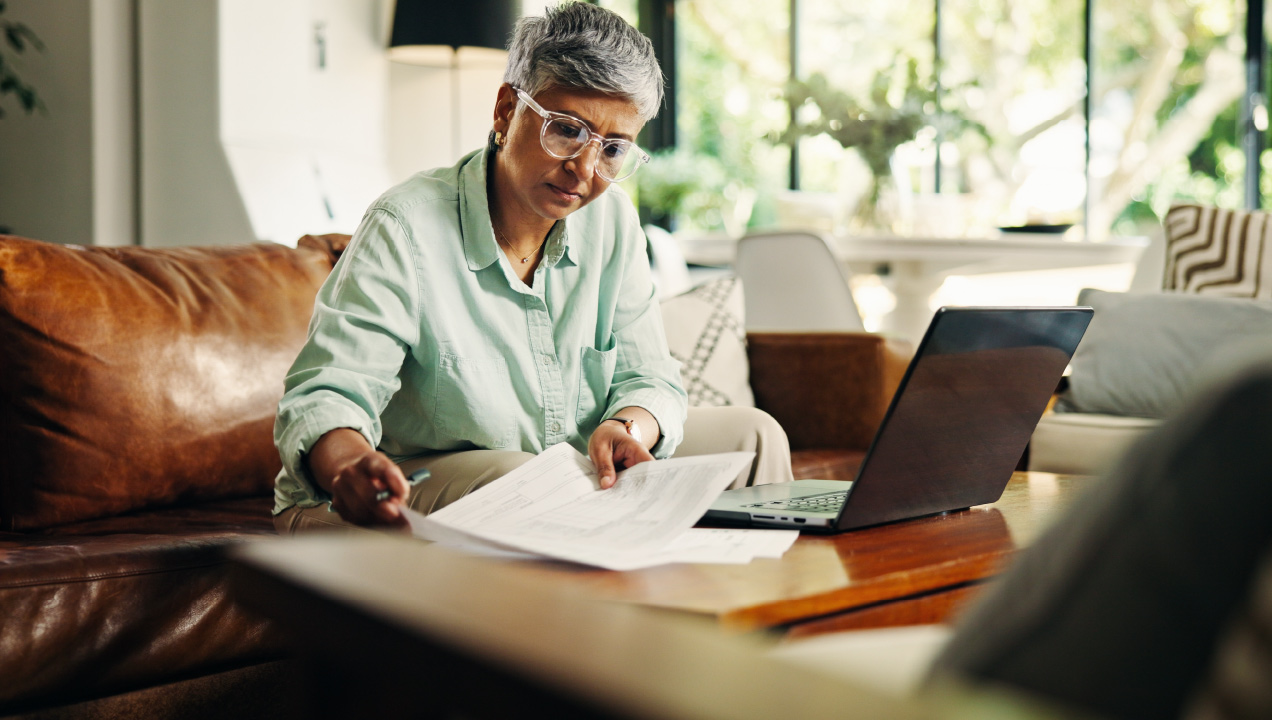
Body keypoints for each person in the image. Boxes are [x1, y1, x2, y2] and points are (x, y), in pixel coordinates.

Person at [272, 2, 793, 534]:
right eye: (566, 130)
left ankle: (754, 610)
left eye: (613, 149)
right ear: (505, 111)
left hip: (563, 466)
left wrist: (625, 426)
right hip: (394, 486)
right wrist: (350, 464)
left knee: (754, 436)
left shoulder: (612, 221)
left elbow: (650, 377)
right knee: (520, 476)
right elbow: (328, 393)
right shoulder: (405, 225)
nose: (585, 170)